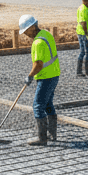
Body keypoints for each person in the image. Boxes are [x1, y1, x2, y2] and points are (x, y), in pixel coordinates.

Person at [19, 13, 60, 146]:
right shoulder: (46, 34)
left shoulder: (38, 42)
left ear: (32, 27)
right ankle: (52, 134)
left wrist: (29, 77)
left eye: (26, 31)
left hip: (46, 77)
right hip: (54, 75)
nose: (25, 34)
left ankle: (42, 139)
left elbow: (38, 64)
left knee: (37, 106)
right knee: (48, 104)